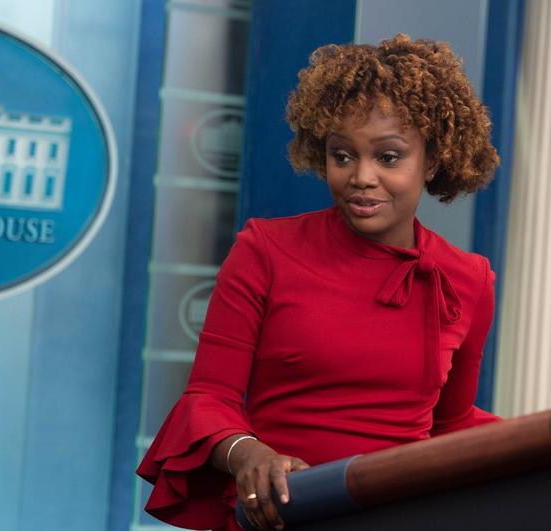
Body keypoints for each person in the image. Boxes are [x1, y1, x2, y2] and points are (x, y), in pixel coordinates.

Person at [137, 34, 501, 531]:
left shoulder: (469, 279)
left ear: (432, 160)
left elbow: (452, 424)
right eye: (342, 155)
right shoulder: (265, 249)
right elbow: (208, 397)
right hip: (283, 514)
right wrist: (250, 454)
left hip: (398, 516)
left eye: (388, 157)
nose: (361, 177)